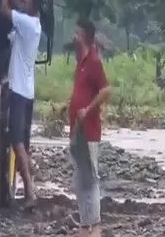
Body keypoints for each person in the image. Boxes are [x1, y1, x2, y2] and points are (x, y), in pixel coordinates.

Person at [69, 18, 113, 237]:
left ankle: (94, 225)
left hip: (89, 130)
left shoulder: (94, 61)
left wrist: (87, 109)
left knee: (91, 178)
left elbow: (106, 91)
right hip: (77, 130)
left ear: (84, 35)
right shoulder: (82, 61)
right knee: (80, 179)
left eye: (76, 32)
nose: (73, 36)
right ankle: (85, 225)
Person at [0, 0, 42, 208]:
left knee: (16, 142)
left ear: (32, 4)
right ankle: (20, 188)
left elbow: (5, 9)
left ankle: (29, 192)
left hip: (19, 92)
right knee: (22, 142)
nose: (22, 3)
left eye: (25, 1)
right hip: (27, 91)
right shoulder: (30, 27)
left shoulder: (26, 23)